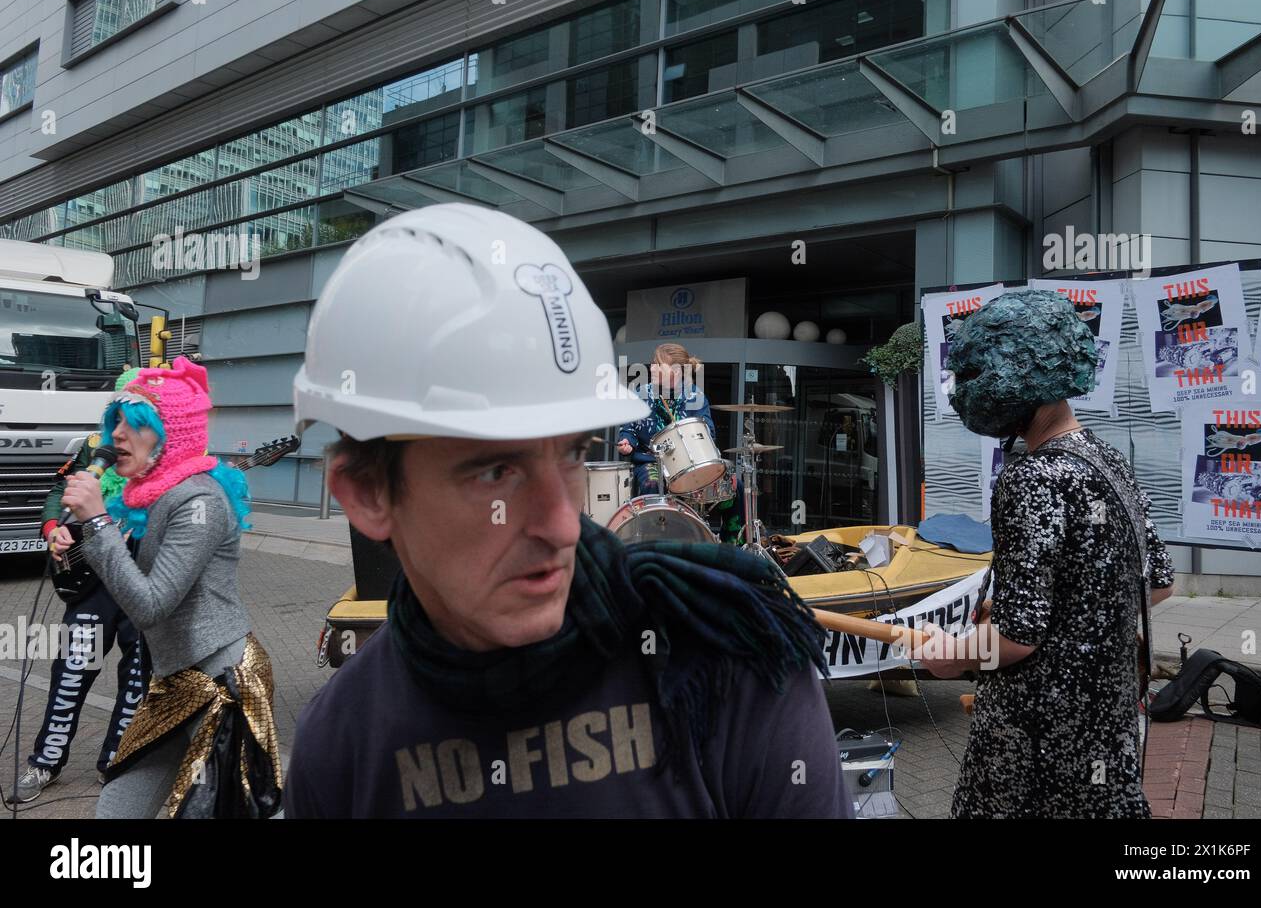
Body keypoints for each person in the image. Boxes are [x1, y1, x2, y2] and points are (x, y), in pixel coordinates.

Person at [285, 203, 849, 818]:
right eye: (496, 471)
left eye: (574, 453)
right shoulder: (341, 746)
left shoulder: (731, 665)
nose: (563, 525)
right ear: (367, 495)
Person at [919, 289, 1175, 818]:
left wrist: (953, 655)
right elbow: (1158, 582)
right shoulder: (1107, 459)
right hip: (1106, 724)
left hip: (1033, 740)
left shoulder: (1033, 478)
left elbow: (1016, 637)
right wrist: (1083, 623)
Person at [58, 356, 282, 818]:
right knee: (116, 810)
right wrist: (85, 529)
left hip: (223, 682)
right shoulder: (154, 497)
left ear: (170, 436)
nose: (116, 434)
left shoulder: (198, 501)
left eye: (134, 424)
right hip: (174, 681)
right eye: (114, 421)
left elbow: (150, 605)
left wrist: (97, 522)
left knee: (239, 810)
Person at [13, 368, 148, 803]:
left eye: (138, 413)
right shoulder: (96, 448)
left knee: (136, 681)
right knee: (71, 674)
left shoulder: (173, 461)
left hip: (145, 586)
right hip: (92, 585)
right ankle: (45, 762)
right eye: (119, 413)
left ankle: (115, 762)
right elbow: (58, 491)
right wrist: (55, 528)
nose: (124, 428)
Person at [615, 345, 744, 541]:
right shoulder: (641, 393)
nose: (652, 369)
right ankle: (654, 543)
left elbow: (708, 432)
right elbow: (629, 429)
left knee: (736, 485)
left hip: (688, 465)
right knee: (652, 483)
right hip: (651, 462)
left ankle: (732, 545)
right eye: (652, 364)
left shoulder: (695, 396)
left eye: (658, 365)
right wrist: (627, 442)